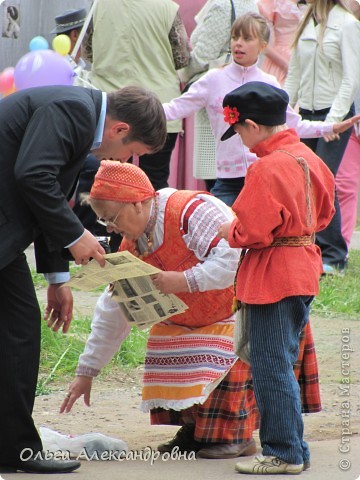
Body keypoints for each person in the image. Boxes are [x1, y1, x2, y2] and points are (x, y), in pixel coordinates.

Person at [61, 162, 322, 460]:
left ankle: (236, 435)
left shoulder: (191, 211)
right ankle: (198, 430)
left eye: (111, 219)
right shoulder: (132, 244)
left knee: (220, 344)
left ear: (136, 203)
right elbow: (115, 307)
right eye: (103, 222)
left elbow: (232, 258)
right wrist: (87, 370)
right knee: (165, 341)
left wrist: (184, 280)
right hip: (192, 319)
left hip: (240, 309)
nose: (110, 228)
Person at [0, 85, 166, 473]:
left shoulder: (80, 117)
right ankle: (15, 447)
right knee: (17, 332)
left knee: (19, 332)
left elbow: (48, 193)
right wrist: (77, 237)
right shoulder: (73, 110)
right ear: (120, 128)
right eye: (132, 152)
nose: (127, 160)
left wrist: (58, 279)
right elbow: (33, 176)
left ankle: (14, 447)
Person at [217, 81, 335, 474]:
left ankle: (283, 453)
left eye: (239, 132)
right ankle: (294, 448)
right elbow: (327, 213)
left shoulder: (266, 166)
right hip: (303, 263)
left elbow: (251, 231)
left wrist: (226, 231)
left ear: (251, 125)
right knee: (281, 361)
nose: (241, 141)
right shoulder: (308, 157)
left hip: (273, 273)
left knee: (270, 366)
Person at [164, 12, 360, 206]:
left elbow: (292, 125)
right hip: (226, 181)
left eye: (247, 38)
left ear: (263, 46)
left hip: (264, 177)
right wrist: (139, 111)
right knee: (220, 230)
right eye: (234, 37)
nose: (238, 43)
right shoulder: (213, 79)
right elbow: (176, 108)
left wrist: (330, 128)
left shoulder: (269, 83)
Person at [284, 0, 360, 274]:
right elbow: (294, 75)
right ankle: (311, 247)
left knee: (323, 181)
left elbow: (351, 79)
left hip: (335, 114)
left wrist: (331, 122)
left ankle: (335, 255)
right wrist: (279, 111)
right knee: (305, 180)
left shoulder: (348, 23)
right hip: (306, 113)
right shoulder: (306, 21)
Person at [84, 0, 190, 191]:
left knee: (101, 182)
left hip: (110, 107)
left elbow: (88, 52)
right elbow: (182, 57)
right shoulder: (167, 7)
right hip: (160, 105)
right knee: (153, 183)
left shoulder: (99, 4)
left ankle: (94, 222)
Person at [179, 0, 259, 191]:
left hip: (218, 88)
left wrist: (182, 74)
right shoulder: (250, 3)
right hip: (243, 86)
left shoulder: (222, 5)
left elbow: (203, 55)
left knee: (216, 173)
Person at [257, 0, 307, 85]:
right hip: (279, 58)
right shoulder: (272, 2)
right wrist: (285, 65)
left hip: (304, 57)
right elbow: (262, 41)